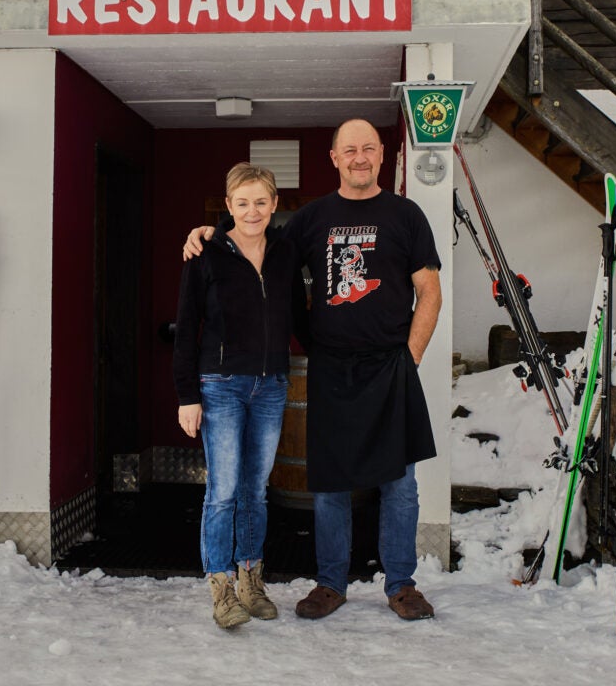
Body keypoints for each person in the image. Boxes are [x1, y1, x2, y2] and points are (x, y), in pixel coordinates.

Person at [184, 118, 442, 621]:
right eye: (350, 150)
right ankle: (330, 583)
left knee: (401, 484)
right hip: (332, 369)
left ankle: (402, 584)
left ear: (382, 155)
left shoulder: (406, 215)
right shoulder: (313, 218)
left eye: (368, 148)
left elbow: (428, 290)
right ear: (334, 158)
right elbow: (255, 246)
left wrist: (409, 359)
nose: (360, 157)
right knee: (330, 484)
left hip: (392, 365)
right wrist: (210, 234)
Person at [173, 162, 307, 629]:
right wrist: (187, 394)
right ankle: (221, 590)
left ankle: (252, 582)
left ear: (274, 204)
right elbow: (187, 328)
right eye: (243, 202)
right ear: (228, 206)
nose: (253, 211)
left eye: (261, 201)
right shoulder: (205, 253)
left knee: (256, 491)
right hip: (221, 386)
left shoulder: (287, 253)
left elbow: (300, 320)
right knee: (223, 492)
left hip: (270, 386)